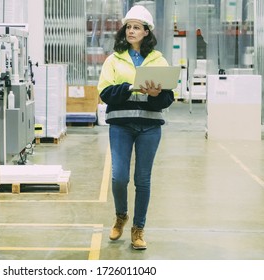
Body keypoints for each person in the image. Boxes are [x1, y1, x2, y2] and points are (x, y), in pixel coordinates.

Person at [97, 5, 174, 250]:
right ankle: (121, 215)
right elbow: (105, 92)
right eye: (128, 27)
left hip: (150, 127)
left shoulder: (159, 60)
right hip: (121, 125)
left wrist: (154, 94)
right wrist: (130, 87)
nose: (131, 31)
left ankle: (138, 229)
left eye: (136, 27)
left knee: (143, 180)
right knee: (119, 177)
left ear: (146, 32)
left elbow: (168, 98)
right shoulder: (113, 59)